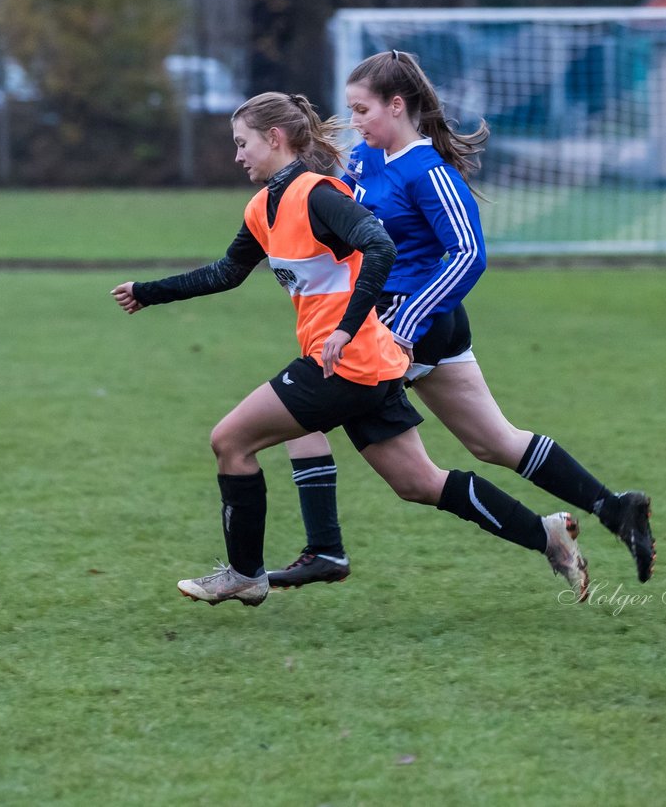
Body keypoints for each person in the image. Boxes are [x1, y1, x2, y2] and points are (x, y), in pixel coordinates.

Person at [111, 91, 589, 607]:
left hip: (346, 362)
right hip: (368, 364)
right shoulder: (262, 208)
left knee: (231, 441)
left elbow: (380, 246)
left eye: (242, 142)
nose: (237, 155)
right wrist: (147, 292)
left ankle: (246, 574)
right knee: (420, 483)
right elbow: (227, 273)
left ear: (274, 139)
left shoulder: (317, 195)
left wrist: (345, 326)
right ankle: (547, 536)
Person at [269, 50, 655, 591]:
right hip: (408, 322)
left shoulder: (429, 171)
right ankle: (614, 509)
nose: (354, 122)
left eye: (362, 110)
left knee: (300, 413)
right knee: (494, 442)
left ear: (397, 106)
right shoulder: (364, 160)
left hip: (412, 323)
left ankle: (324, 551)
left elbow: (468, 254)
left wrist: (407, 319)